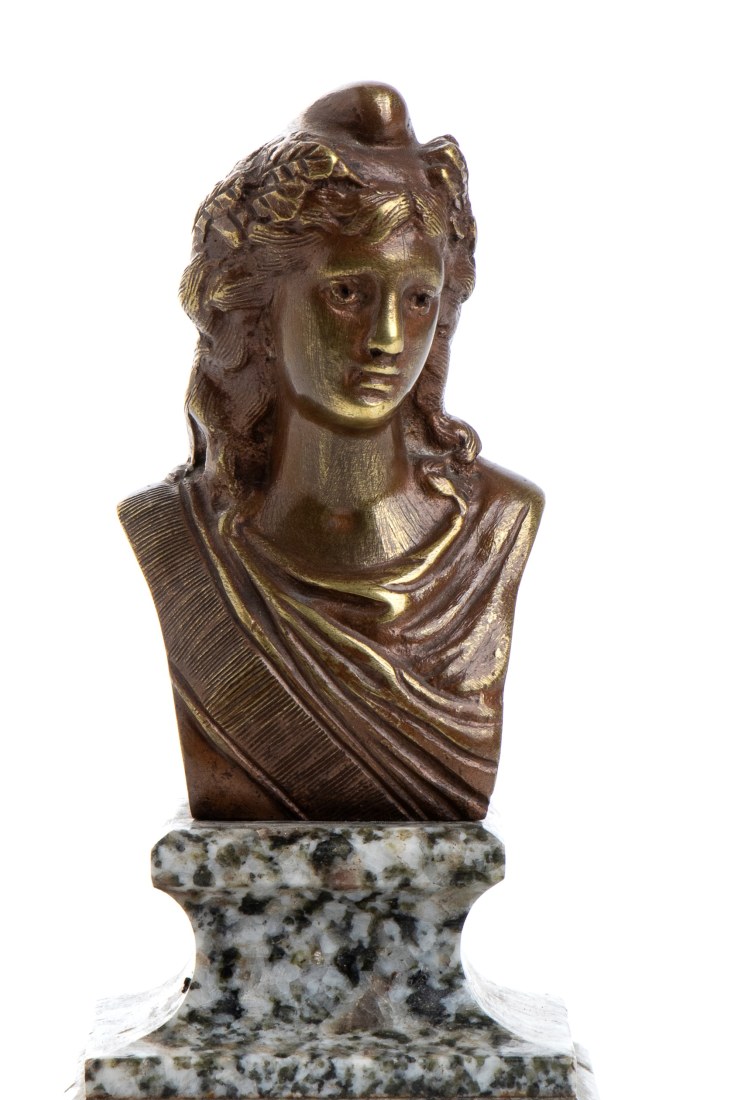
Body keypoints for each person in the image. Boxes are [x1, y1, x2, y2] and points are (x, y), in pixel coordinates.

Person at [119, 84, 543, 821]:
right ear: (257, 307)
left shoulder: (497, 526)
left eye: (418, 298)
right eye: (348, 293)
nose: (387, 338)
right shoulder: (179, 540)